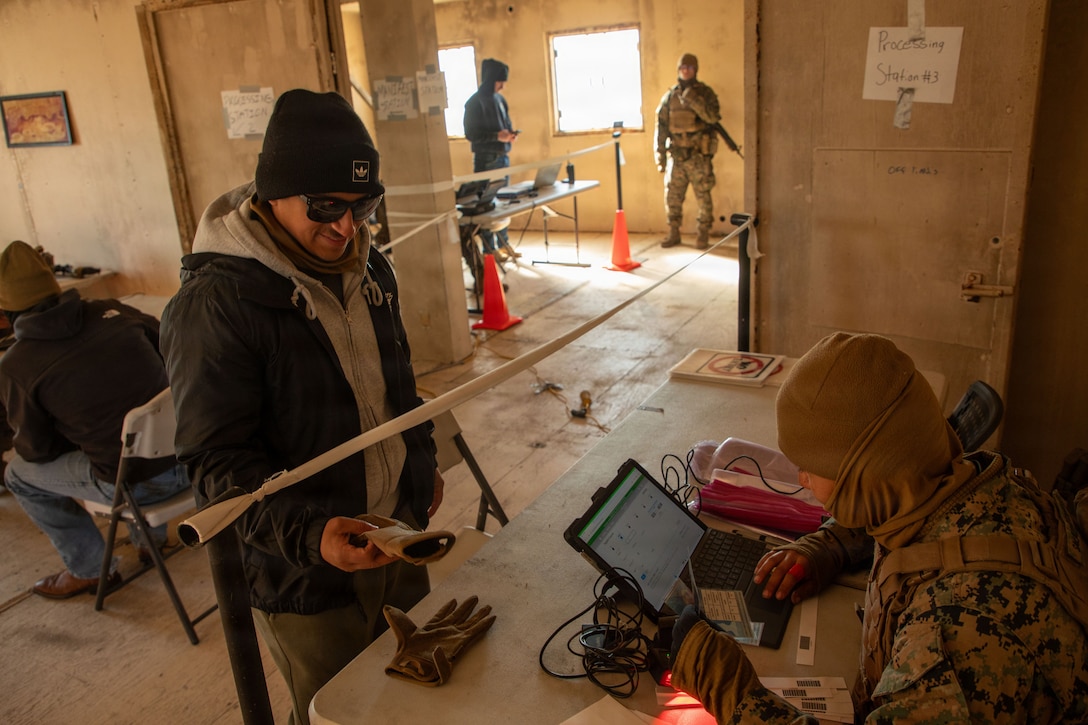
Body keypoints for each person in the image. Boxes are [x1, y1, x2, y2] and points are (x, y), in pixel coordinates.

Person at [159, 89, 443, 725]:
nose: (346, 227)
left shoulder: (371, 271)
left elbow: (396, 391)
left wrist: (416, 464)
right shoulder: (217, 306)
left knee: (415, 701)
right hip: (307, 577)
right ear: (272, 193)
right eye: (325, 206)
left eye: (363, 206)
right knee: (338, 713)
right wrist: (313, 536)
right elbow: (214, 467)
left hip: (399, 539)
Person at [670, 332, 1088, 723]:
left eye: (812, 466)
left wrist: (724, 683)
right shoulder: (983, 482)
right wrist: (828, 544)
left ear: (868, 471)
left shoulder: (960, 632)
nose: (802, 479)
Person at [0, 240, 190, 599]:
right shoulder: (113, 310)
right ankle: (150, 543)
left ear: (6, 312)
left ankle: (87, 569)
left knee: (18, 474)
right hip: (194, 459)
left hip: (139, 486)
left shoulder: (17, 365)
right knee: (138, 431)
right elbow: (173, 353)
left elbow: (37, 451)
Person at [654, 53, 721, 250]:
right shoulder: (670, 97)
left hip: (698, 155)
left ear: (695, 70)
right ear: (678, 69)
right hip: (676, 155)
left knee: (703, 196)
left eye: (690, 67)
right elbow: (661, 126)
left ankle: (703, 233)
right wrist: (659, 155)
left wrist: (693, 99)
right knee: (672, 196)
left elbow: (712, 117)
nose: (686, 70)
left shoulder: (705, 94)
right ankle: (674, 231)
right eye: (683, 67)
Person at [463, 57, 518, 259]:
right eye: (499, 81)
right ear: (490, 79)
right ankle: (489, 249)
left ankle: (504, 243)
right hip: (486, 160)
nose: (502, 86)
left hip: (503, 156)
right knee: (487, 205)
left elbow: (506, 123)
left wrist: (510, 135)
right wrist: (496, 136)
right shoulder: (474, 103)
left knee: (503, 203)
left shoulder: (500, 99)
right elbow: (471, 134)